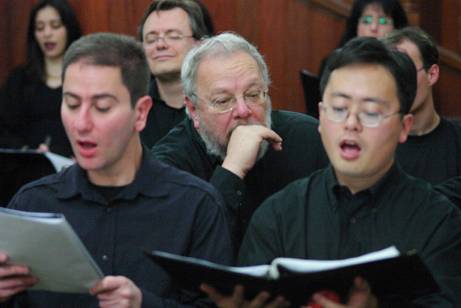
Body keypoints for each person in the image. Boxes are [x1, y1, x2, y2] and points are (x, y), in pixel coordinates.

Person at [204, 37, 461, 306]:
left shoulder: (439, 222)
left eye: (371, 112)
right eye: (339, 109)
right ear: (321, 117)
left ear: (404, 127)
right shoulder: (278, 216)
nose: (351, 123)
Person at [0, 32, 232, 307]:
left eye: (102, 107)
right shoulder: (32, 204)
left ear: (141, 113)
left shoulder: (195, 206)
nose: (81, 123)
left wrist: (144, 304)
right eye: (72, 104)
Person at [152, 32, 328, 247]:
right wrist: (232, 170)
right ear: (193, 110)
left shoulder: (308, 138)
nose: (243, 111)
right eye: (223, 101)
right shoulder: (169, 165)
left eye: (253, 94)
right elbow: (188, 247)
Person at [382, 27, 461, 192]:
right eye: (391, 72)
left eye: (406, 70)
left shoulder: (457, 138)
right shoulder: (377, 144)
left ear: (431, 75)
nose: (398, 82)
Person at [0, 0, 81, 157]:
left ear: (69, 29)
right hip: (28, 167)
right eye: (40, 28)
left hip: (76, 167)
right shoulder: (19, 80)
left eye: (55, 25)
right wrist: (27, 151)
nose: (47, 33)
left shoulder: (86, 77)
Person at [138, 0, 213, 147]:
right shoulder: (133, 108)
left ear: (200, 44)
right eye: (151, 39)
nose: (160, 45)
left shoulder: (220, 104)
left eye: (173, 36)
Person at [318, 0, 407, 78]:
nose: (373, 27)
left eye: (383, 21)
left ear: (396, 27)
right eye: (366, 20)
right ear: (355, 26)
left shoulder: (403, 68)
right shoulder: (334, 64)